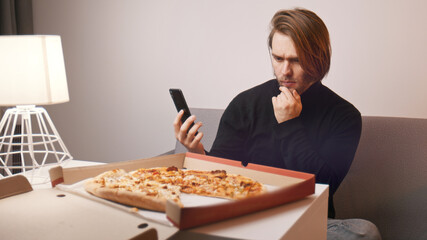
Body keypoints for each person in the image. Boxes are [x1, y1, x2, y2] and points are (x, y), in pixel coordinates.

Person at [173, 8, 381, 240]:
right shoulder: (245, 104)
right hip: (249, 215)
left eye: (296, 60)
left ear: (318, 59)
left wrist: (288, 124)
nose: (285, 71)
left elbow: (323, 186)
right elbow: (222, 175)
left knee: (365, 233)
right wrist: (197, 152)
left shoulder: (344, 115)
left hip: (308, 220)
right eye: (278, 58)